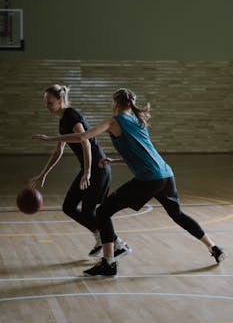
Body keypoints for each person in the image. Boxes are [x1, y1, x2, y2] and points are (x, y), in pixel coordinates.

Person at [33, 87, 226, 276]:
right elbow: (143, 153)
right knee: (177, 215)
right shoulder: (137, 120)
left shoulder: (113, 121)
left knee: (103, 211)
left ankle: (109, 262)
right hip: (166, 175)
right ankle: (214, 248)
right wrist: (114, 161)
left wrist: (50, 138)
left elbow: (83, 136)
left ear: (115, 104)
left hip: (148, 180)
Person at [29, 84, 132, 259]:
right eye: (45, 103)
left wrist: (87, 172)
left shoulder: (72, 115)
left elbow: (85, 141)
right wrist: (43, 173)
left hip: (98, 168)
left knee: (89, 211)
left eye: (50, 102)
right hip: (89, 168)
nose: (47, 106)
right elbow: (59, 150)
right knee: (68, 207)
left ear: (61, 100)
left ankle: (118, 244)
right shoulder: (63, 120)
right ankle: (102, 237)